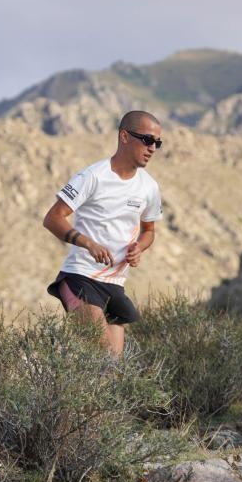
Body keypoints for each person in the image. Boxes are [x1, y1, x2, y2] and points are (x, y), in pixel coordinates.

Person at [42, 110, 163, 357]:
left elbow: (149, 231)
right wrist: (88, 243)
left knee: (112, 370)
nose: (152, 148)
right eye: (147, 140)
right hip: (80, 276)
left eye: (157, 143)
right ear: (124, 136)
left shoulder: (150, 187)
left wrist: (139, 247)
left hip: (115, 284)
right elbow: (52, 218)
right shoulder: (92, 176)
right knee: (103, 358)